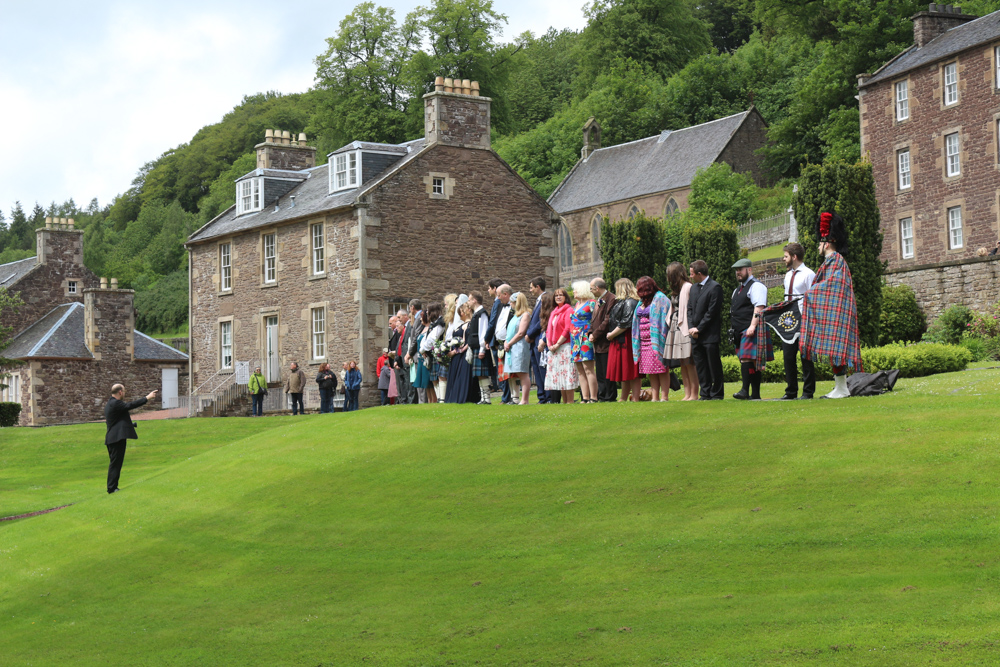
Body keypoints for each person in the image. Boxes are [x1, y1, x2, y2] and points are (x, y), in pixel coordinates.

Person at [801, 211, 864, 399]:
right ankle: (840, 387)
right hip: (833, 310)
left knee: (836, 347)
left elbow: (833, 284)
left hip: (838, 311)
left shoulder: (836, 260)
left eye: (820, 242)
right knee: (834, 347)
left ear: (826, 243)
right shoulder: (830, 261)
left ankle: (842, 389)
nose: (818, 246)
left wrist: (811, 292)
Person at [778, 242, 816, 400]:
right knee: (788, 356)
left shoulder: (809, 274)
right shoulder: (788, 275)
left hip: (804, 319)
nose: (783, 258)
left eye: (786, 256)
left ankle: (808, 392)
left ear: (794, 257)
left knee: (805, 357)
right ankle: (791, 391)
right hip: (789, 320)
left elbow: (813, 298)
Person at [103, 384, 158, 494]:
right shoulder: (116, 403)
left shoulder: (109, 404)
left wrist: (130, 424)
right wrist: (147, 397)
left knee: (115, 463)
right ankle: (112, 488)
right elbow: (130, 405)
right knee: (115, 463)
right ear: (120, 392)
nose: (125, 393)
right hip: (116, 439)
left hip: (112, 438)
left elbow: (116, 421)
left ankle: (113, 487)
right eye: (124, 391)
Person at [730, 258, 771, 401]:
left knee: (747, 359)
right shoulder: (737, 290)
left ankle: (745, 391)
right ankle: (755, 395)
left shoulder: (756, 286)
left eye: (740, 270)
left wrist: (752, 326)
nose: (738, 273)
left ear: (749, 270)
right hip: (740, 330)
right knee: (751, 362)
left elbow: (759, 307)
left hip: (750, 327)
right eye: (736, 270)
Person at [687, 260, 725, 400]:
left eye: (691, 274)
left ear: (699, 273)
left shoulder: (715, 287)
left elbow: (712, 312)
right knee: (701, 365)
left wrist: (699, 328)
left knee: (713, 364)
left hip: (709, 334)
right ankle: (705, 393)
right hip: (695, 335)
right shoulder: (694, 288)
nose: (690, 276)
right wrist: (691, 327)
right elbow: (689, 309)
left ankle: (717, 393)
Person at [663, 263, 699, 401]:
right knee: (683, 362)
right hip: (675, 325)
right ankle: (687, 393)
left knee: (689, 362)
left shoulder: (688, 287)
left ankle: (694, 393)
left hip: (684, 326)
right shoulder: (678, 290)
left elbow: (690, 310)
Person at [631, 276, 671, 401]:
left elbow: (665, 317)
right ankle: (655, 397)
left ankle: (664, 397)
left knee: (662, 368)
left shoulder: (660, 298)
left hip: (657, 339)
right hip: (644, 342)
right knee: (651, 370)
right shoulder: (641, 301)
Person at [606, 278, 641, 402]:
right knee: (624, 371)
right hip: (620, 338)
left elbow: (626, 322)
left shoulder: (630, 302)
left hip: (626, 339)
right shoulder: (623, 301)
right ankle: (623, 398)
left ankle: (635, 398)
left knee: (631, 370)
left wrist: (612, 334)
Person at [544, 288, 579, 403]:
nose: (558, 297)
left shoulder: (568, 310)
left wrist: (558, 343)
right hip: (554, 348)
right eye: (556, 296)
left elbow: (567, 328)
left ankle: (570, 401)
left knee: (567, 374)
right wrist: (549, 344)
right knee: (559, 376)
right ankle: (564, 402)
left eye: (561, 295)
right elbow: (548, 330)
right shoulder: (554, 312)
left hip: (564, 346)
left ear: (565, 297)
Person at [589, 278, 618, 402]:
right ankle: (602, 395)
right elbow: (594, 319)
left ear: (597, 288)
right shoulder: (598, 301)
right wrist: (590, 332)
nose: (590, 291)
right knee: (600, 371)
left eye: (591, 289)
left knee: (607, 370)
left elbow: (607, 320)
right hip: (598, 342)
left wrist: (595, 334)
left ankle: (609, 396)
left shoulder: (611, 299)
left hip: (606, 341)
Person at [570, 280, 599, 403]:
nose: (574, 292)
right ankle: (585, 397)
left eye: (575, 289)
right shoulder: (576, 305)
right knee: (580, 370)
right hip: (575, 339)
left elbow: (596, 320)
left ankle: (594, 397)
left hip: (586, 337)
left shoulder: (592, 303)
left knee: (588, 368)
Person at [503, 292, 533, 405]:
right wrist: (506, 341)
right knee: (517, 372)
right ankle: (518, 398)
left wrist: (509, 343)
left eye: (512, 302)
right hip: (512, 346)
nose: (510, 304)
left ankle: (525, 400)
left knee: (523, 373)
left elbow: (521, 333)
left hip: (520, 346)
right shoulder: (515, 315)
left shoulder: (525, 315)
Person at [526, 277, 550, 404]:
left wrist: (529, 334)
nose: (530, 290)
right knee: (536, 369)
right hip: (534, 340)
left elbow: (542, 320)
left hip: (540, 339)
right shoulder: (538, 301)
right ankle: (542, 396)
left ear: (538, 287)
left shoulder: (545, 300)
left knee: (542, 369)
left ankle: (547, 396)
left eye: (531, 287)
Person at [445, 302, 475, 403]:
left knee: (461, 377)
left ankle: (461, 397)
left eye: (460, 311)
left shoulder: (469, 324)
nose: (459, 314)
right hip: (456, 356)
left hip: (462, 355)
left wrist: (456, 351)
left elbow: (466, 342)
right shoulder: (461, 324)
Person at [467, 291, 494, 404]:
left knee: (482, 374)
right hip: (475, 348)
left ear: (474, 300)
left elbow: (483, 332)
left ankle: (487, 398)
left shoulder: (481, 313)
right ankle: (483, 398)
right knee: (479, 375)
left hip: (480, 348)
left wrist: (482, 349)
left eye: (469, 299)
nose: (468, 302)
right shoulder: (476, 313)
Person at [491, 285, 514, 403]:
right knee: (502, 373)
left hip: (510, 344)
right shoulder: (500, 306)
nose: (498, 298)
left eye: (499, 295)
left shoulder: (514, 307)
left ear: (506, 294)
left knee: (510, 372)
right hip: (499, 344)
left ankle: (512, 398)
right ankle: (505, 397)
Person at [484, 278, 506, 394]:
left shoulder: (498, 303)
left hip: (495, 339)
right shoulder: (498, 302)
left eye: (489, 288)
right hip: (495, 338)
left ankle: (503, 389)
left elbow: (492, 322)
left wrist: (486, 338)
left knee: (499, 366)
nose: (488, 290)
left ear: (495, 289)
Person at [405, 299, 426, 404]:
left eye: (409, 308)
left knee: (420, 379)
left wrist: (409, 353)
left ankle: (423, 402)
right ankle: (421, 401)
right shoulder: (417, 318)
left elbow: (415, 338)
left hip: (418, 353)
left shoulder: (419, 318)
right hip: (416, 353)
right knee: (418, 380)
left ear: (412, 307)